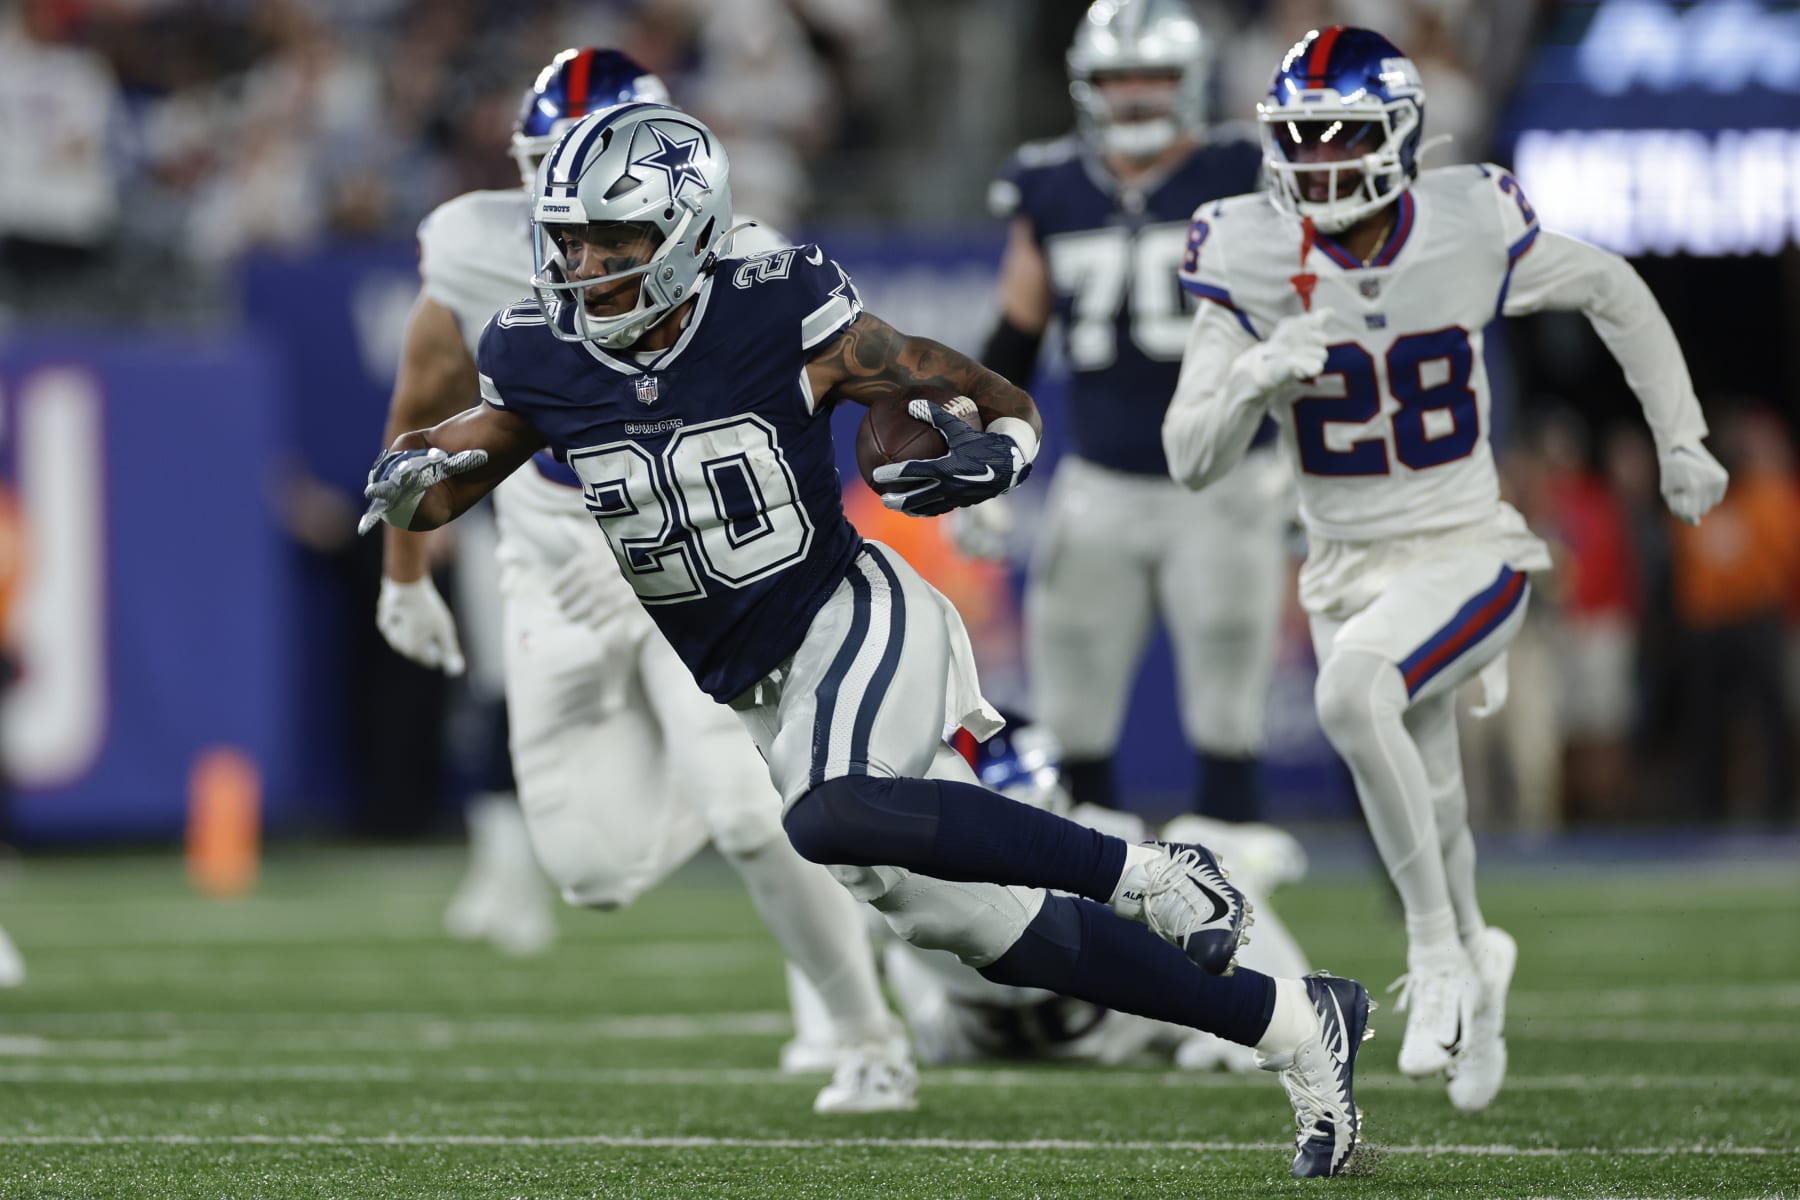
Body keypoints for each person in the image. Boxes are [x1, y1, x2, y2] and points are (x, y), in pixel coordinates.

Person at [358, 99, 1374, 1179]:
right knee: (985, 931)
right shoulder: (536, 350)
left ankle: (1152, 873)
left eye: (620, 244)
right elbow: (468, 460)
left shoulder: (772, 307)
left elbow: (978, 390)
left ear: (692, 232)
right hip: (753, 685)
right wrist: (416, 483)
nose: (588, 266)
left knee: (831, 811)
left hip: (849, 612)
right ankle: (1298, 1027)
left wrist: (999, 452)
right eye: (571, 241)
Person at [1162, 25, 1729, 1114]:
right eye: (1300, 137)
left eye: (1343, 135)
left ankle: (1436, 953)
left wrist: (1681, 438)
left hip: (1468, 548)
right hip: (1342, 565)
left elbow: (1613, 287)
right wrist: (1253, 378)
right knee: (1429, 792)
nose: (1319, 159)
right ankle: (1479, 959)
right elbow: (1192, 458)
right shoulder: (1244, 251)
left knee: (1349, 693)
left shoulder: (1468, 222)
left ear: (1402, 136)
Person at [373, 49, 912, 1113]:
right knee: (594, 871)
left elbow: (805, 435)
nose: (575, 207)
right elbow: (424, 406)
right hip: (552, 558)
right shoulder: (479, 245)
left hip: (701, 558)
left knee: (757, 816)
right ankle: (746, 792)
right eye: (547, 168)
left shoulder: (748, 267)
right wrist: (405, 576)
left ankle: (865, 1031)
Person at [976, 0, 1287, 822]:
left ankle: (1237, 911)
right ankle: (1102, 914)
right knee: (1074, 715)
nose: (1137, 95)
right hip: (1100, 482)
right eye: (1118, 78)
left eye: (1155, 76)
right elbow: (1014, 338)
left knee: (1229, 714)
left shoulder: (1246, 172)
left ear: (1192, 83)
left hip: (1227, 481)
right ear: (1088, 86)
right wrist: (979, 468)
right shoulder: (1050, 184)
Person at [882, 724, 1312, 1074]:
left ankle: (1292, 1019)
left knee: (1195, 853)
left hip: (1071, 1022)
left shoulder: (1099, 834)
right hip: (1004, 1031)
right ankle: (846, 1037)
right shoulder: (899, 856)